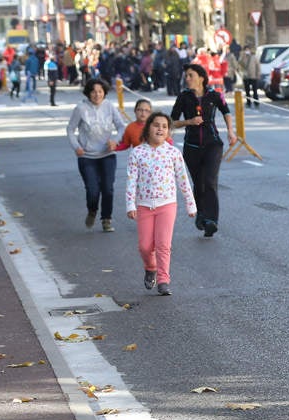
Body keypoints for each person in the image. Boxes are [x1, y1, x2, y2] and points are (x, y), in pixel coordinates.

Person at [126, 112, 197, 296]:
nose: (160, 129)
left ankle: (164, 280)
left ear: (168, 131)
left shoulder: (173, 153)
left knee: (163, 244)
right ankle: (151, 268)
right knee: (145, 246)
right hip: (144, 206)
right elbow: (131, 180)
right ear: (148, 127)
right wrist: (130, 205)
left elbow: (183, 180)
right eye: (156, 125)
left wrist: (191, 204)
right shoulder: (137, 153)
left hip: (167, 205)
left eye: (164, 126)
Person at [171, 63, 237, 237]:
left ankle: (211, 220)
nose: (187, 79)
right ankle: (201, 214)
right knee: (198, 182)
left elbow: (226, 111)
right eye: (186, 76)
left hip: (212, 144)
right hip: (191, 146)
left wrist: (231, 131)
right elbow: (172, 122)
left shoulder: (214, 95)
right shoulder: (183, 97)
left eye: (191, 75)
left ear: (201, 77)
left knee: (209, 180)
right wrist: (189, 122)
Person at [66, 78, 126, 232]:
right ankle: (92, 210)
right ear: (88, 93)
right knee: (92, 190)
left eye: (100, 91)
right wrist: (76, 147)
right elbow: (70, 130)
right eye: (93, 91)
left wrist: (115, 141)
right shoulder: (80, 108)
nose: (97, 95)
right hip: (87, 156)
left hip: (107, 154)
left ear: (104, 93)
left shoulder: (109, 107)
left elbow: (121, 127)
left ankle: (106, 219)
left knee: (108, 188)